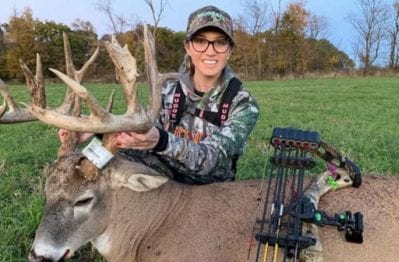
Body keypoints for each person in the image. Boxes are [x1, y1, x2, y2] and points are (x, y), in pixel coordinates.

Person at [60, 5, 259, 185]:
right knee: (102, 158)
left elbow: (213, 159)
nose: (210, 51)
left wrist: (162, 141)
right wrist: (99, 131)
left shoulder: (242, 103)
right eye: (200, 41)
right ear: (188, 47)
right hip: (166, 173)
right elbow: (144, 132)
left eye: (220, 43)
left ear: (229, 50)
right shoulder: (169, 89)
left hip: (210, 187)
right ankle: (71, 183)